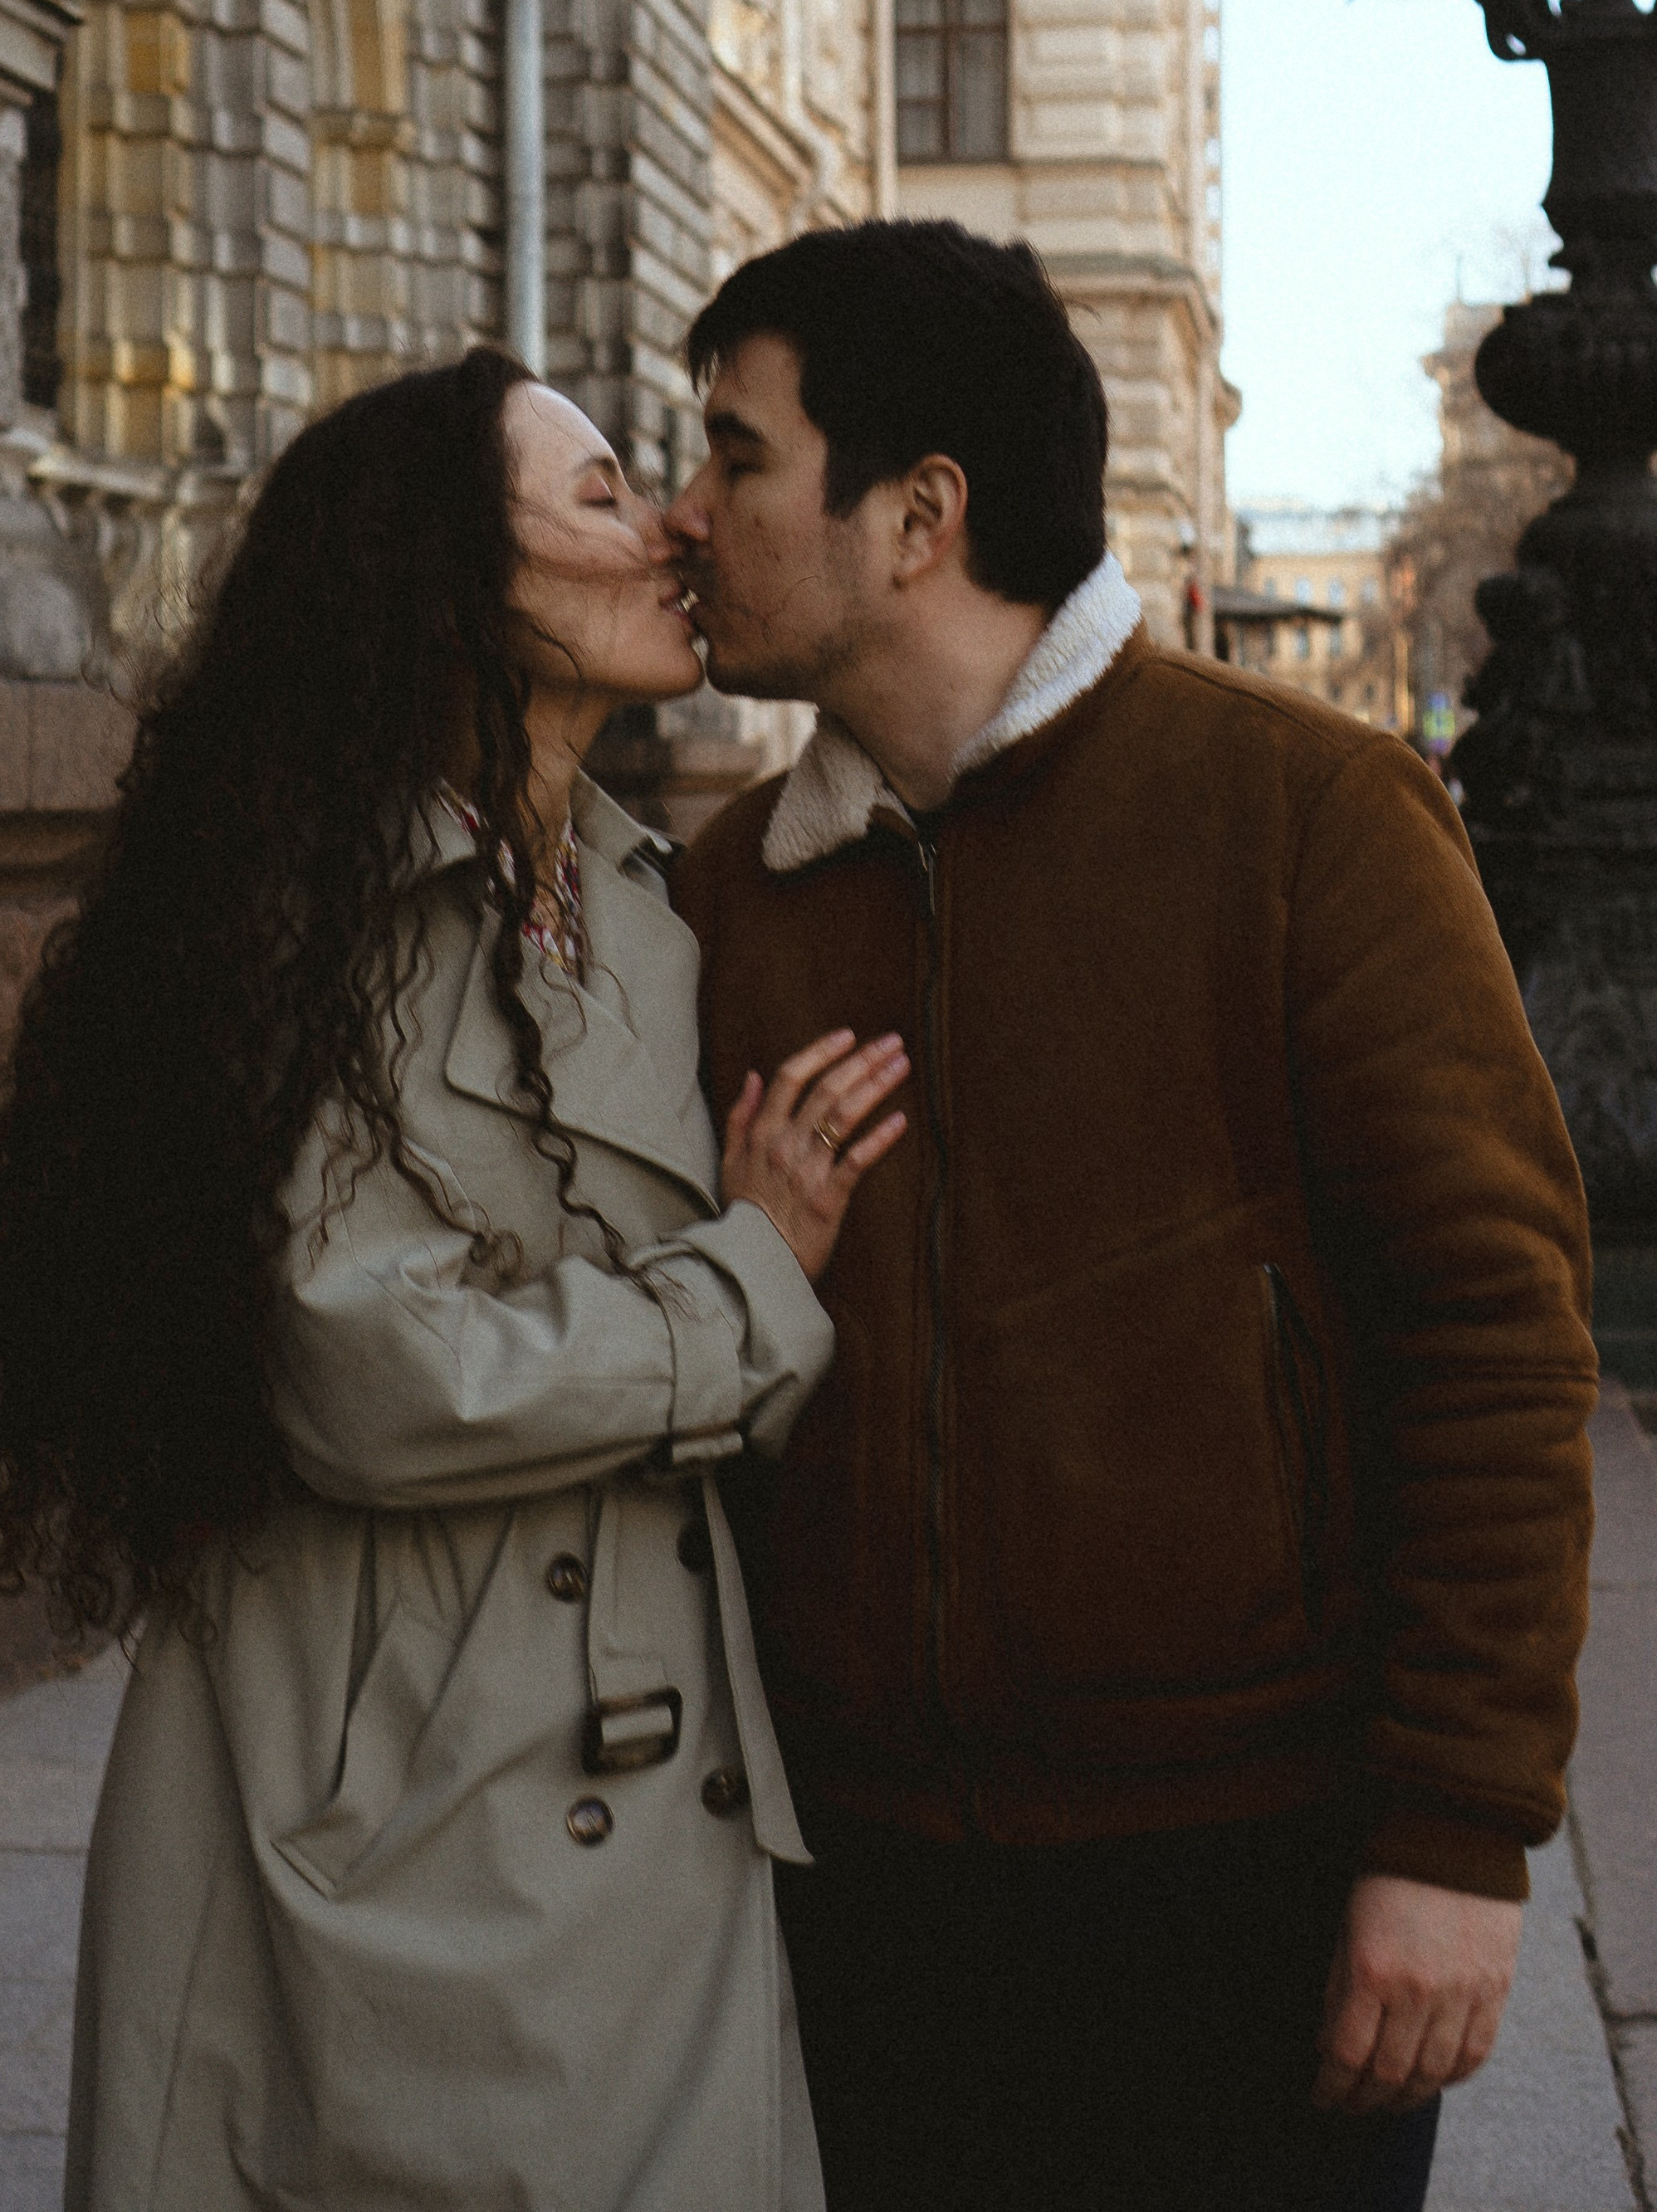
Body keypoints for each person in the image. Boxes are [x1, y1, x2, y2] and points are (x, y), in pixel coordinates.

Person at [666, 220, 1598, 2212]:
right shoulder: (731, 892)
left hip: (1238, 1887)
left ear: (916, 514)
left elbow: (1491, 1333)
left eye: (734, 456)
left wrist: (1452, 1836)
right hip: (857, 1895)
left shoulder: (1303, 816)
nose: (688, 511)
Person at [0, 347, 912, 2212]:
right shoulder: (307, 910)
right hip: (392, 1793)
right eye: (603, 493)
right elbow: (366, 1370)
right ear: (453, 577)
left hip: (642, 1758)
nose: (670, 529)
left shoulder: (645, 896)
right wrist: (747, 1288)